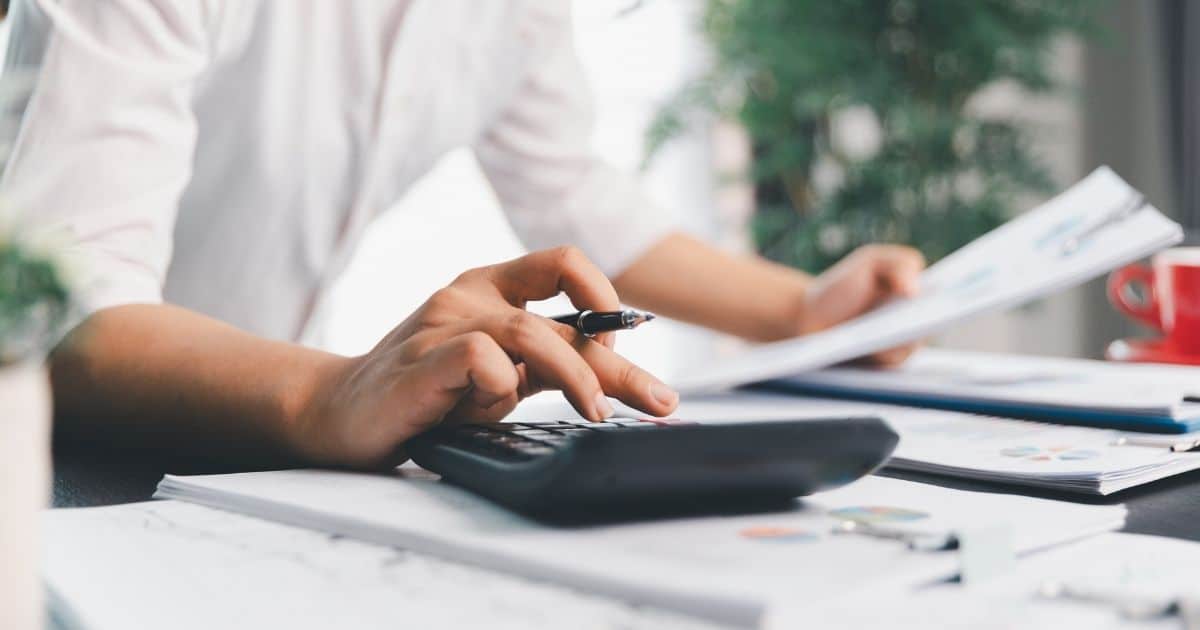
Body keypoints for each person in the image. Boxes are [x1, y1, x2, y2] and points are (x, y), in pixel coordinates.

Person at [1, 0, 924, 468]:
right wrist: (332, 393)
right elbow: (60, 310)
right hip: (43, 462)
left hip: (231, 455)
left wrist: (802, 310)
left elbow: (570, 193)